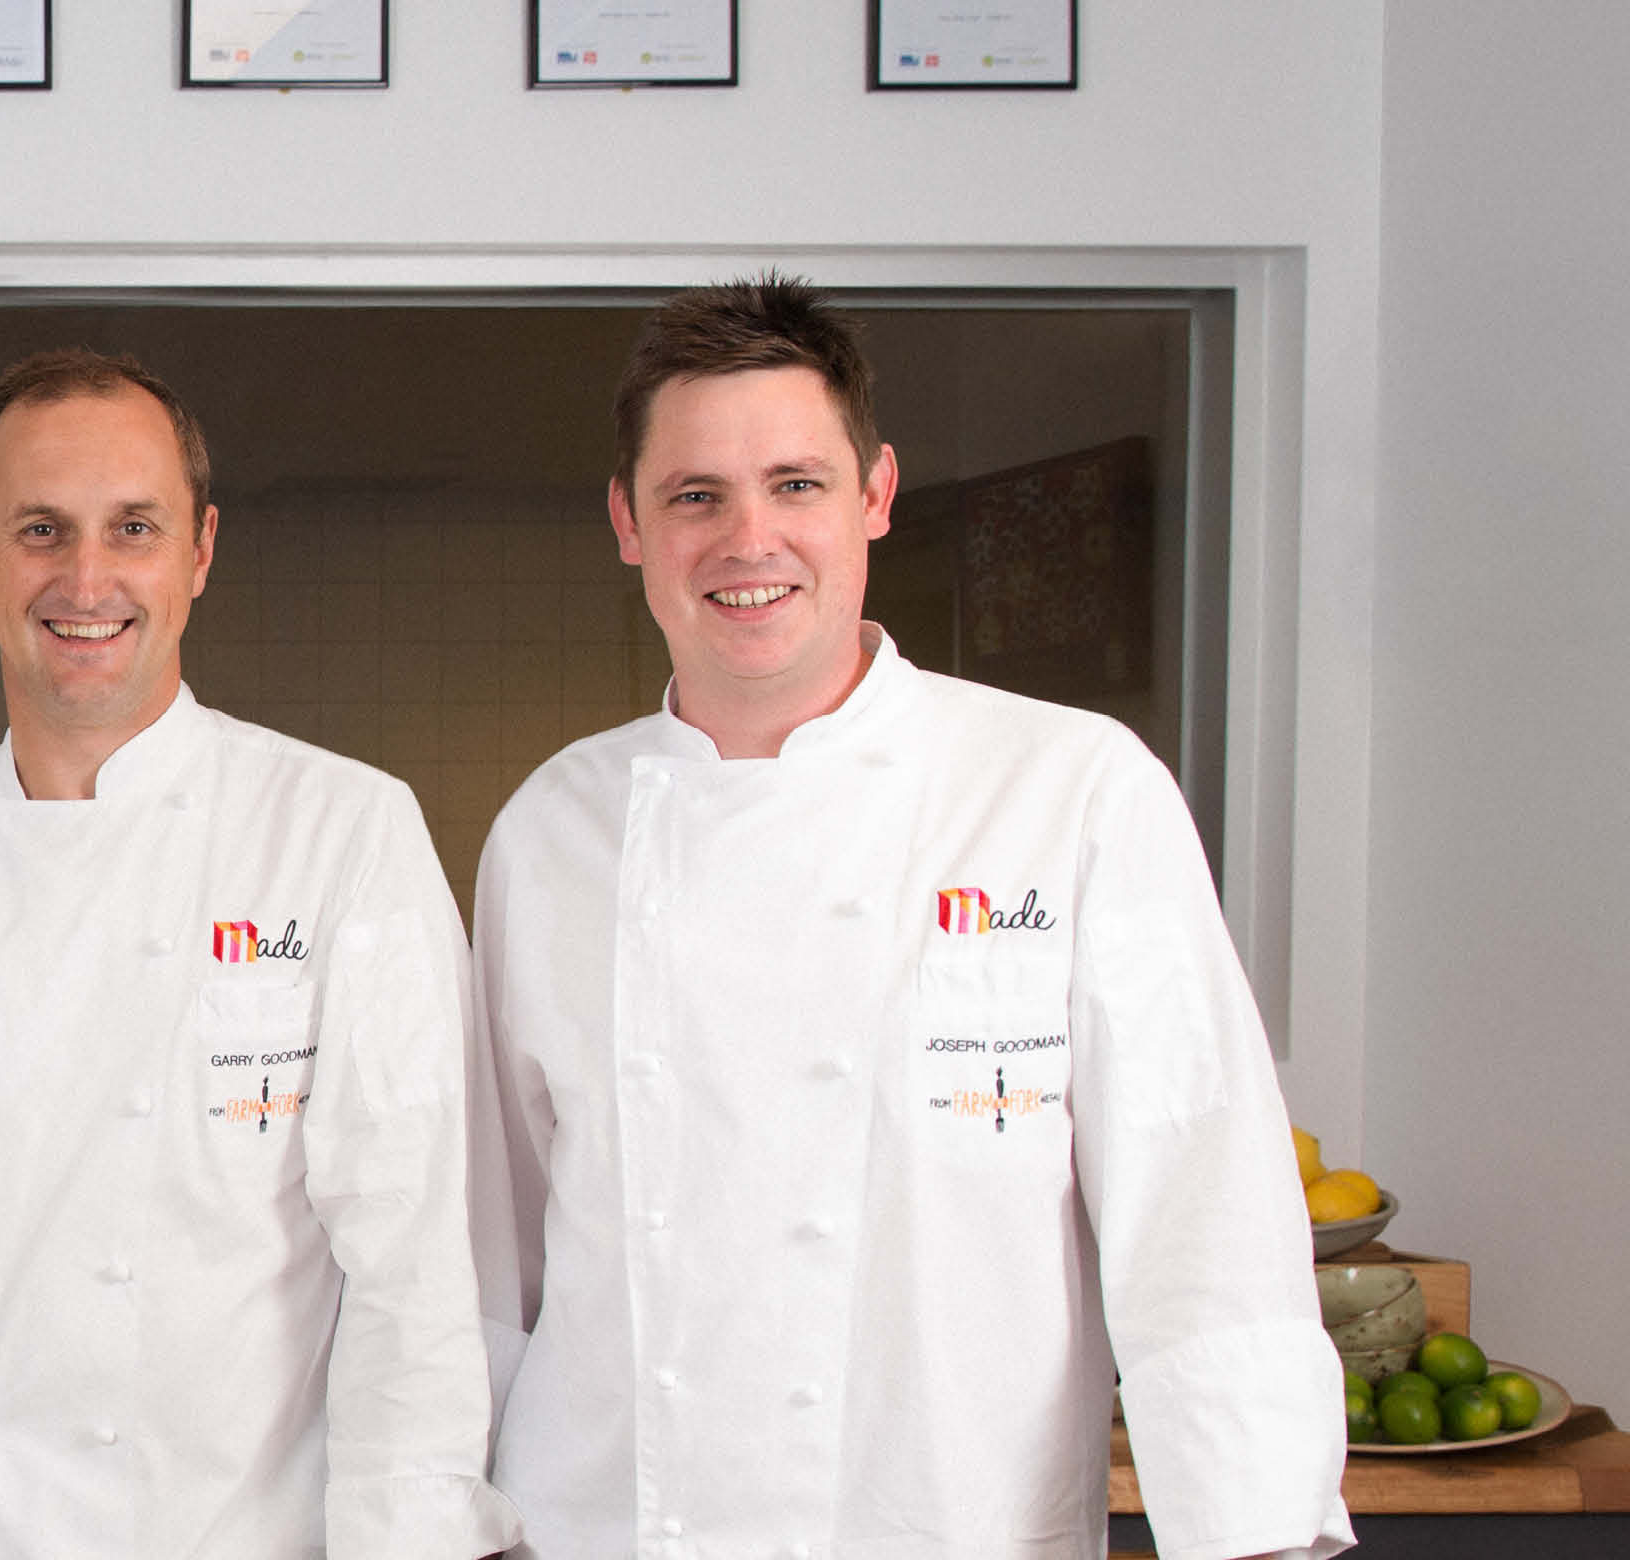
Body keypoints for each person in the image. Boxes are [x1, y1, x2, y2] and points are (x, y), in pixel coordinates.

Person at [470, 276, 1351, 1558]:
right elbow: (496, 1252)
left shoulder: (1071, 790)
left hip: (947, 1520)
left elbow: (1201, 1214)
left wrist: (1255, 1533)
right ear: (628, 522)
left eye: (797, 484)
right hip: (614, 1525)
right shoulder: (551, 830)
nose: (747, 539)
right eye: (695, 495)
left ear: (876, 493)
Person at [0, 350, 519, 1559]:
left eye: (132, 527)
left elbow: (413, 1276)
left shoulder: (341, 835)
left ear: (199, 552)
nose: (86, 577)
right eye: (41, 529)